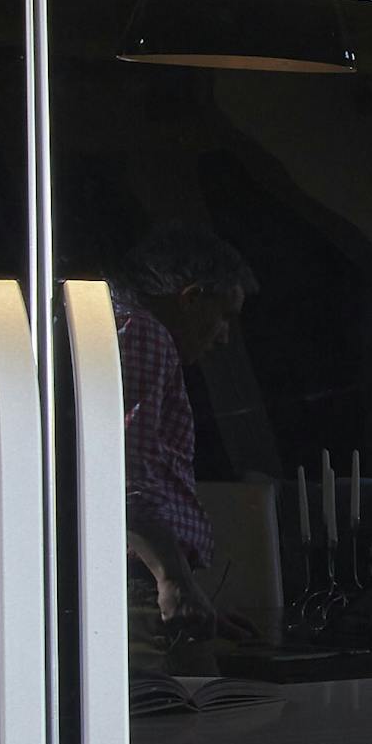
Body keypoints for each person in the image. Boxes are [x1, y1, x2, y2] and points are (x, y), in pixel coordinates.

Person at [113, 223, 257, 631]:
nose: (225, 337)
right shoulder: (144, 334)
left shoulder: (123, 330)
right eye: (224, 315)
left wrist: (193, 594)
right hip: (139, 583)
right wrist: (172, 580)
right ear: (192, 299)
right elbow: (127, 471)